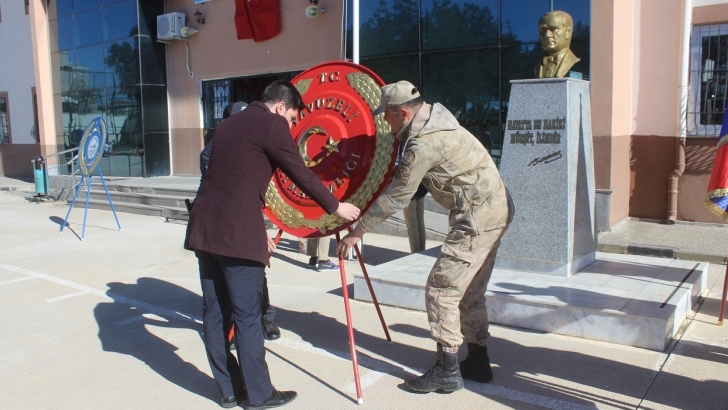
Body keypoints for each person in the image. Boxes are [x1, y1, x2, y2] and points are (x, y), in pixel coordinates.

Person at [185, 81, 360, 409]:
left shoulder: (227, 125)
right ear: (281, 107)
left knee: (214, 313)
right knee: (247, 314)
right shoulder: (270, 123)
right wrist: (335, 206)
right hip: (235, 235)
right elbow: (299, 171)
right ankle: (258, 394)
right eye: (294, 118)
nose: (292, 126)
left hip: (204, 229)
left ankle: (228, 389)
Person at [337, 81, 514, 394]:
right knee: (470, 289)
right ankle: (477, 360)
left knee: (442, 288)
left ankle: (447, 370)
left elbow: (398, 196)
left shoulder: (424, 143)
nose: (385, 122)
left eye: (388, 117)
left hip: (476, 218)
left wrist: (357, 231)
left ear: (403, 113)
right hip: (495, 209)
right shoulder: (439, 121)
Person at [190, 101, 281, 345]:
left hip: (252, 215)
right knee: (228, 284)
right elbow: (228, 197)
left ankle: (266, 317)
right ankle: (229, 328)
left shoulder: (257, 143)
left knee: (255, 276)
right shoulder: (212, 152)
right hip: (225, 223)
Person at [534, 10, 581, 78]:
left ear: (568, 32)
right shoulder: (534, 66)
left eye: (553, 29)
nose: (547, 35)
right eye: (542, 30)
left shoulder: (578, 65)